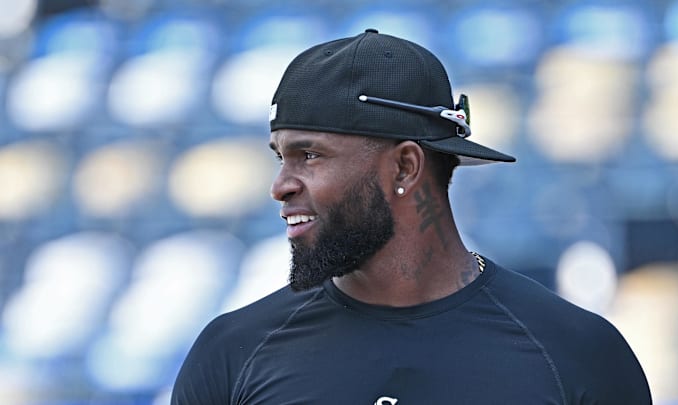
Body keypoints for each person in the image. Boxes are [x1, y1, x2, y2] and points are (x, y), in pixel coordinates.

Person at [171, 29, 652, 404]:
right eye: (281, 157)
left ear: (405, 165)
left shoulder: (575, 352)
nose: (280, 186)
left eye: (310, 156)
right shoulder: (232, 353)